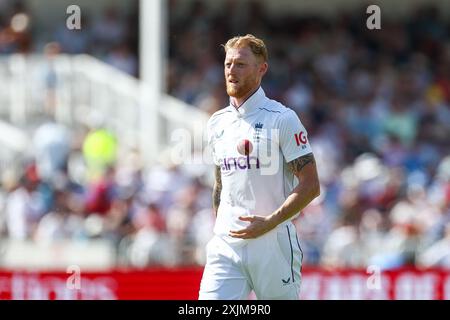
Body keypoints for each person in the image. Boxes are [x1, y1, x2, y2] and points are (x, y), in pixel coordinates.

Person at [199, 34, 320, 300]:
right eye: (228, 64)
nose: (231, 70)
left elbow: (311, 185)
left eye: (241, 64)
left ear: (261, 68)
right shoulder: (216, 122)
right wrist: (220, 225)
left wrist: (269, 222)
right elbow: (220, 182)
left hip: (273, 243)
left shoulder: (283, 119)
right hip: (226, 244)